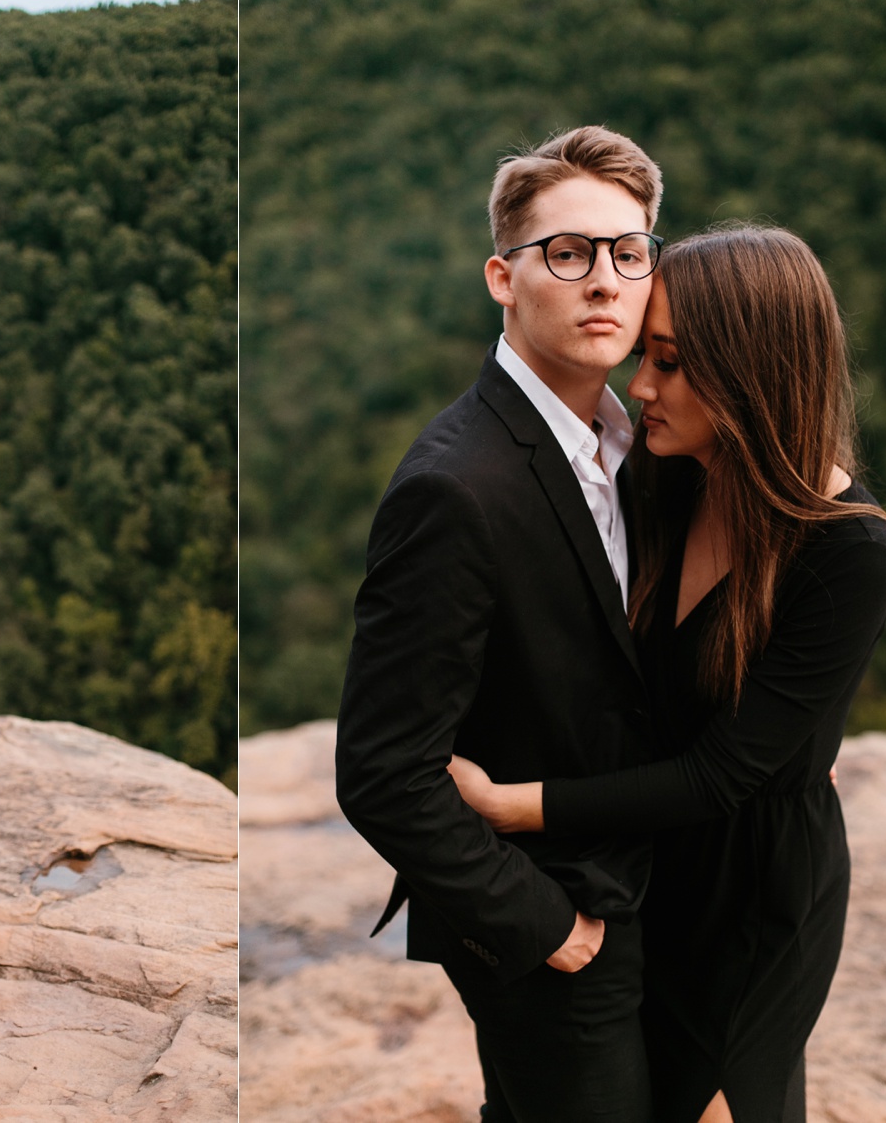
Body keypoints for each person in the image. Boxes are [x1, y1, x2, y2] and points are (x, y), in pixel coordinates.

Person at [447, 224, 886, 1123]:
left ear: (752, 375)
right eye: (645, 357)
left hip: (753, 895)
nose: (641, 388)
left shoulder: (849, 551)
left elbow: (724, 774)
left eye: (669, 363)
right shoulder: (667, 480)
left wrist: (515, 804)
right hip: (648, 864)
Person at [335, 125, 664, 1122]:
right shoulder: (455, 484)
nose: (603, 279)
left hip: (650, 885)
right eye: (567, 252)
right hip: (556, 919)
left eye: (629, 250)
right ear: (502, 277)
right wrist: (545, 924)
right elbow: (383, 768)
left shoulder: (641, 441)